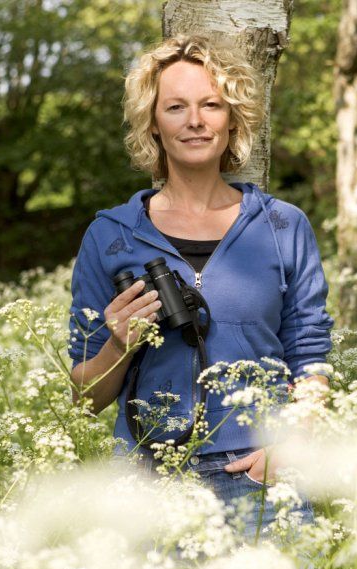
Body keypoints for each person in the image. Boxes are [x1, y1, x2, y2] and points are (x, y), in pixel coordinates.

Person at [68, 34, 334, 539]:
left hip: (260, 474)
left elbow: (311, 352)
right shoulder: (110, 235)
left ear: (232, 118)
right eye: (176, 107)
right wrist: (120, 344)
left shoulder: (283, 226)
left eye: (211, 105)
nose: (195, 120)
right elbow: (86, 397)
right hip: (148, 478)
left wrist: (294, 441)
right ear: (153, 123)